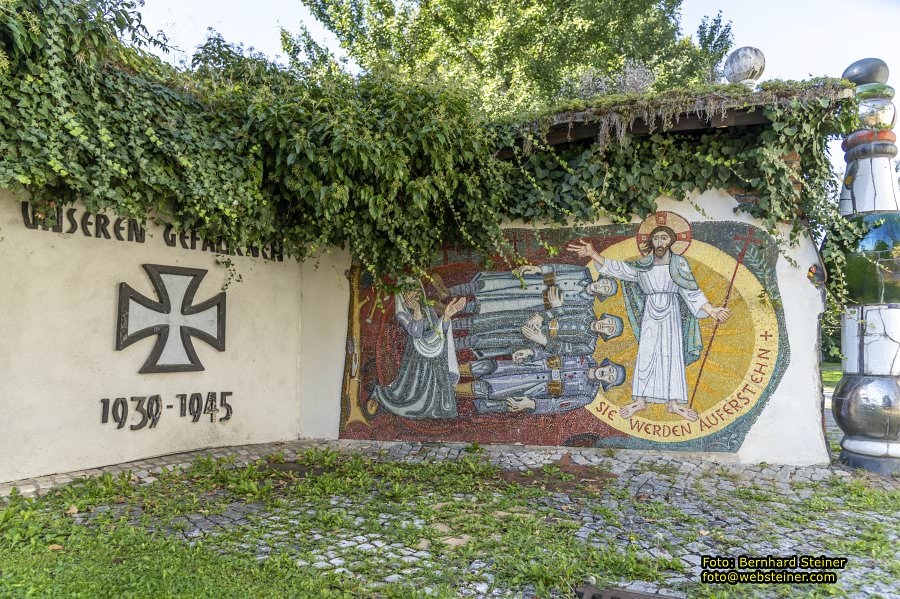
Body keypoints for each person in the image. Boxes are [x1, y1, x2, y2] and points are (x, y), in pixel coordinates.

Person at [567, 215, 730, 422]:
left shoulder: (679, 264)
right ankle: (640, 400)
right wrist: (594, 254)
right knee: (646, 353)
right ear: (651, 242)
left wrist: (711, 310)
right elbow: (620, 269)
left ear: (671, 241)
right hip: (650, 314)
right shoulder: (643, 265)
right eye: (656, 238)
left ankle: (674, 403)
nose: (660, 242)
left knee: (672, 356)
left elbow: (692, 291)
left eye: (664, 238)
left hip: (671, 313)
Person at [368, 288, 466, 419]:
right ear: (403, 296)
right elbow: (416, 332)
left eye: (416, 291)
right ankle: (380, 396)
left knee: (441, 398)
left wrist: (447, 316)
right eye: (409, 292)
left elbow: (437, 331)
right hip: (415, 360)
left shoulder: (428, 309)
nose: (414, 294)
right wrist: (416, 310)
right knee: (409, 394)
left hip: (433, 356)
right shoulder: (402, 313)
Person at [455, 349, 626, 415]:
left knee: (485, 389)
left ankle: (444, 389)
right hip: (525, 366)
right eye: (611, 370)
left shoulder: (587, 395)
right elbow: (553, 348)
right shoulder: (584, 354)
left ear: (607, 383)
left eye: (610, 378)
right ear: (607, 365)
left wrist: (531, 404)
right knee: (485, 367)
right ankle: (445, 373)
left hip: (529, 388)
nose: (606, 374)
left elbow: (557, 405)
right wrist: (531, 352)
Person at [453, 298, 624, 358]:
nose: (605, 326)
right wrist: (540, 316)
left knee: (490, 340)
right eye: (609, 322)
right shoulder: (586, 310)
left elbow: (565, 348)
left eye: (609, 329)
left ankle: (454, 344)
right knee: (493, 320)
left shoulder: (588, 345)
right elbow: (562, 310)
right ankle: (449, 325)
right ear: (606, 317)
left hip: (534, 339)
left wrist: (541, 339)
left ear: (606, 336)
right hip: (533, 321)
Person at [436, 265, 617, 314]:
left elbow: (562, 314)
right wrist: (539, 269)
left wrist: (557, 306)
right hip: (534, 280)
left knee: (491, 304)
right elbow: (558, 267)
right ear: (602, 278)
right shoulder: (583, 272)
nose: (602, 286)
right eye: (605, 283)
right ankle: (448, 292)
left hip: (535, 301)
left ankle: (447, 310)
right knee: (492, 284)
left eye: (606, 290)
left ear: (602, 295)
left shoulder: (585, 305)